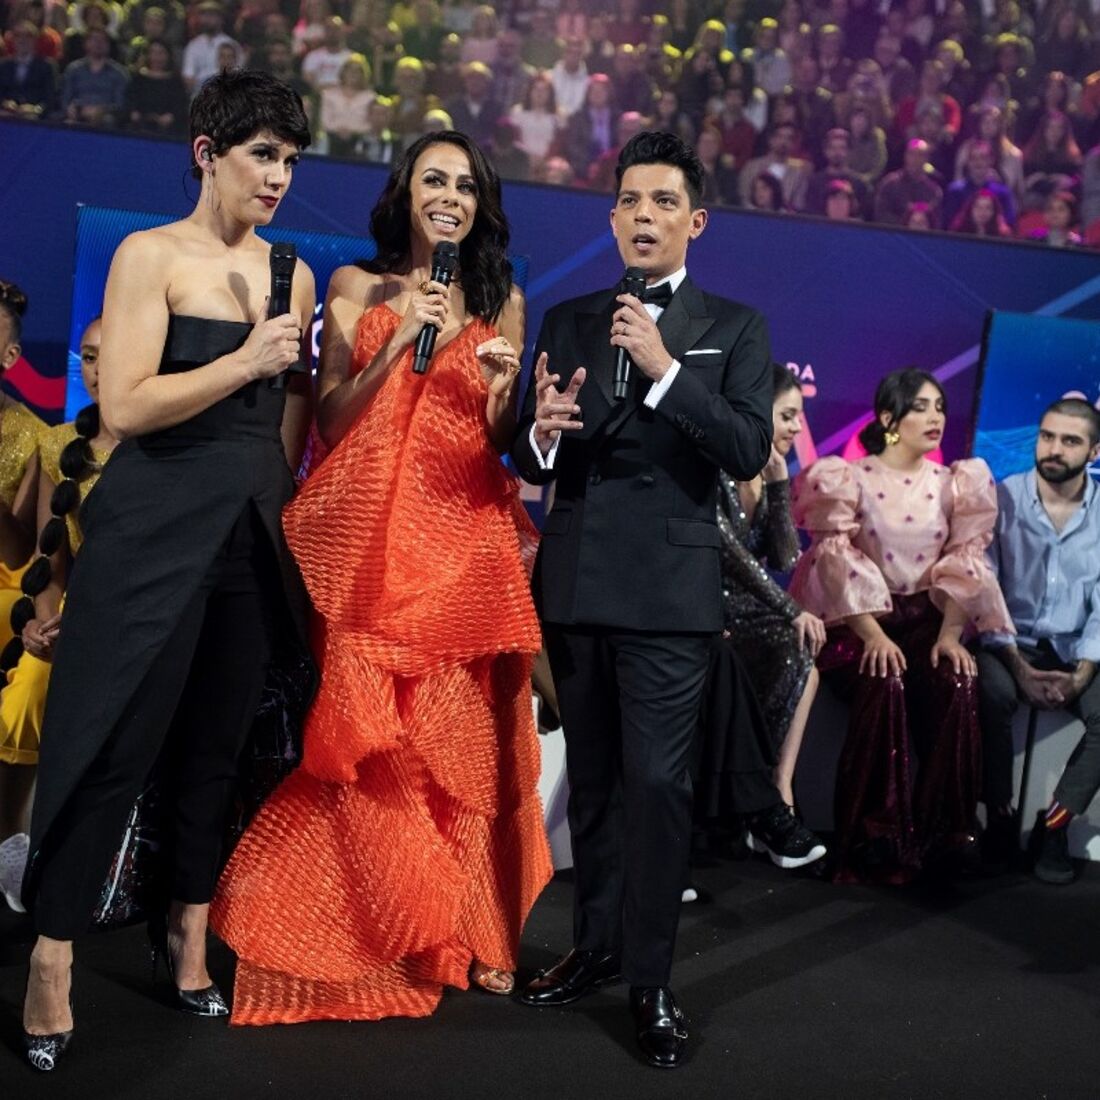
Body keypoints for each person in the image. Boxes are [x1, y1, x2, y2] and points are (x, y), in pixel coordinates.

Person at [211, 130, 552, 1023]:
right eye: (433, 180)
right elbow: (327, 417)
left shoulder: (503, 300)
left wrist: (509, 396)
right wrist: (400, 340)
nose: (449, 196)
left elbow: (499, 433)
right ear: (405, 192)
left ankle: (470, 931)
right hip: (369, 542)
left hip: (464, 540)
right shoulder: (356, 288)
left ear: (481, 205)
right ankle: (370, 926)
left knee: (463, 752)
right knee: (376, 748)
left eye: (466, 185)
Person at [20, 69, 315, 1072]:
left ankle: (186, 934)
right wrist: (243, 359)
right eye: (260, 154)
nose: (277, 176)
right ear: (206, 151)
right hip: (149, 537)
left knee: (215, 752)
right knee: (109, 746)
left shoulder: (293, 275)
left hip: (245, 538)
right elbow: (127, 410)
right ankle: (51, 955)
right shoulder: (149, 255)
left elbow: (275, 432)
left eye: (288, 159)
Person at [511, 130, 773, 1069]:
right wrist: (538, 436)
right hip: (578, 584)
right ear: (612, 215)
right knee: (598, 785)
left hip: (668, 596)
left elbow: (746, 450)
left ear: (694, 221)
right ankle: (596, 945)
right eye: (630, 200)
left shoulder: (733, 327)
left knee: (660, 788)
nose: (644, 216)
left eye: (664, 202)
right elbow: (527, 450)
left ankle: (654, 982)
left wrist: (665, 369)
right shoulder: (570, 316)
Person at [791, 368, 1013, 884]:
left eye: (939, 407)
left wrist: (951, 636)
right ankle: (874, 835)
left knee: (958, 682)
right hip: (861, 622)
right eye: (922, 407)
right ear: (890, 417)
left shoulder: (955, 482)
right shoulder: (850, 477)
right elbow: (835, 562)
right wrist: (873, 634)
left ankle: (947, 835)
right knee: (883, 678)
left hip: (928, 623)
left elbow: (965, 561)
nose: (935, 417)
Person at [0, 317, 118, 913]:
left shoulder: (169, 448)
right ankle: (14, 847)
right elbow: (49, 558)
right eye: (89, 357)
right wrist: (43, 623)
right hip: (69, 613)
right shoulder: (58, 444)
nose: (98, 371)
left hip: (132, 618)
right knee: (27, 691)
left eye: (111, 356)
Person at [696, 364, 827, 868]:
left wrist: (776, 488)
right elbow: (730, 556)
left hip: (750, 608)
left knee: (800, 653)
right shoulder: (711, 465)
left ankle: (777, 790)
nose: (797, 428)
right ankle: (762, 805)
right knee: (785, 638)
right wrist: (793, 608)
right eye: (788, 415)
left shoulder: (769, 470)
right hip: (708, 603)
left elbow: (784, 559)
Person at [977, 400, 1100, 881]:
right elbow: (984, 590)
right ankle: (998, 820)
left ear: (1094, 450)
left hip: (1075, 649)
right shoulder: (1001, 499)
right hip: (1007, 644)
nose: (1053, 449)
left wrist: (1082, 674)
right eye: (1047, 436)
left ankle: (1055, 826)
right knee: (988, 694)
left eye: (1069, 441)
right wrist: (1019, 667)